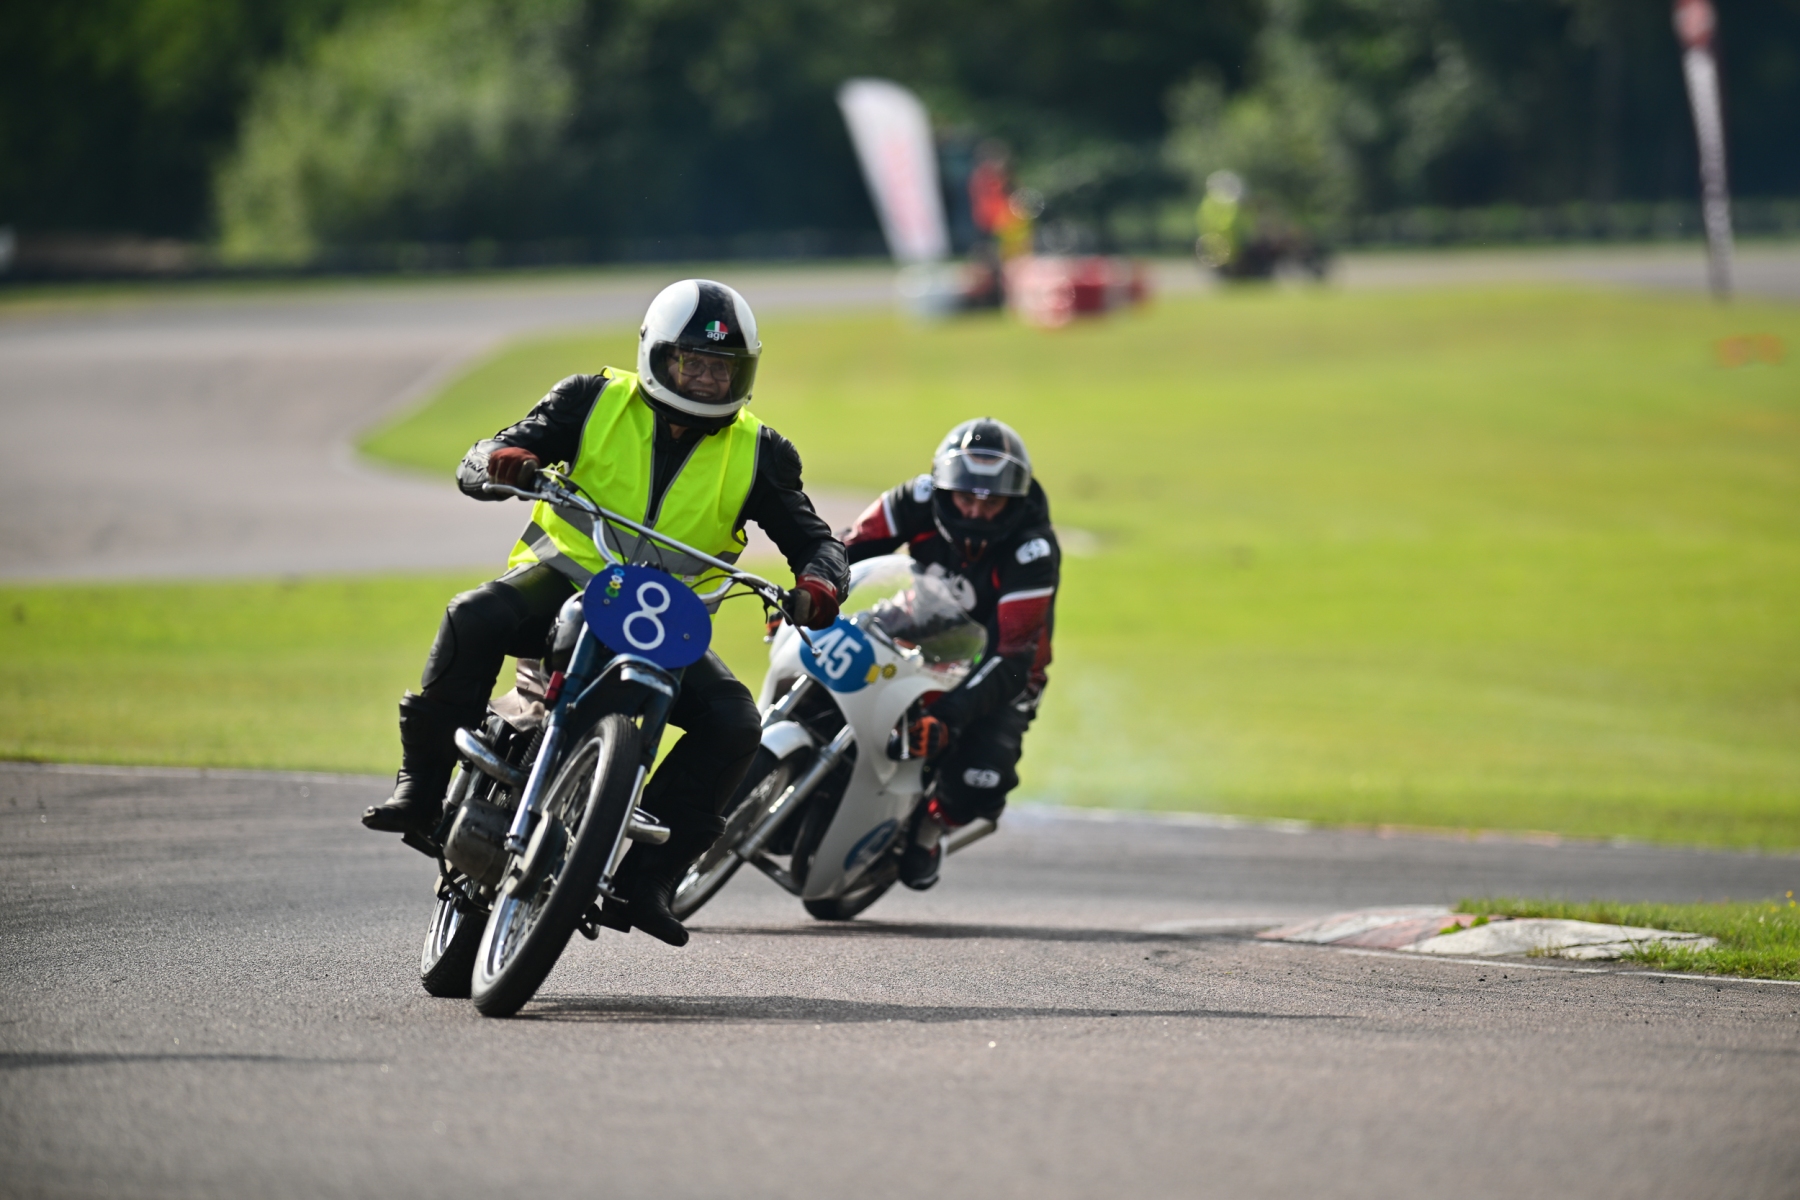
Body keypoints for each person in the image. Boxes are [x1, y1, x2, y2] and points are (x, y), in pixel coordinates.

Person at [361, 279, 849, 946]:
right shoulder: (591, 398)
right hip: (563, 580)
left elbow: (817, 540)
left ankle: (651, 879)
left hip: (664, 618)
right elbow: (495, 448)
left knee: (737, 722)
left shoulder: (762, 451)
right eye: (693, 363)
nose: (707, 379)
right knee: (472, 614)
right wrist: (503, 463)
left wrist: (820, 581)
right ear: (657, 355)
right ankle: (420, 786)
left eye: (723, 368)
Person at [841, 418, 1058, 889]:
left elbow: (1013, 653)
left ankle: (929, 826)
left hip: (1002, 667)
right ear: (943, 489)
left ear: (1015, 501)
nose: (977, 512)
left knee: (981, 780)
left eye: (992, 502)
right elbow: (847, 551)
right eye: (965, 498)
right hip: (919, 621)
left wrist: (949, 717)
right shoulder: (914, 499)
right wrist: (810, 592)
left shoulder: (1033, 550)